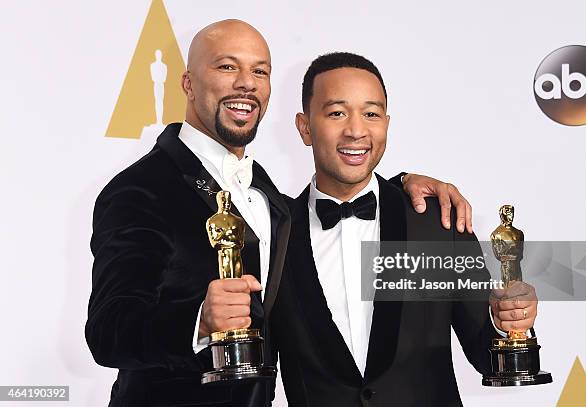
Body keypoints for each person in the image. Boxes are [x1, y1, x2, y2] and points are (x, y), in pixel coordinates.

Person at [86, 20, 477, 406]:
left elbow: (350, 185)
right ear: (188, 83)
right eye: (227, 66)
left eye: (260, 71)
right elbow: (107, 332)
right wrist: (198, 321)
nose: (246, 82)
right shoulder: (139, 190)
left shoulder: (269, 198)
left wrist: (401, 183)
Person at [271, 52, 538, 406]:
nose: (356, 130)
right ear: (305, 127)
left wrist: (511, 324)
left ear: (387, 123)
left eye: (371, 113)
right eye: (337, 113)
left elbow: (487, 353)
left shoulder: (438, 223)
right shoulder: (273, 234)